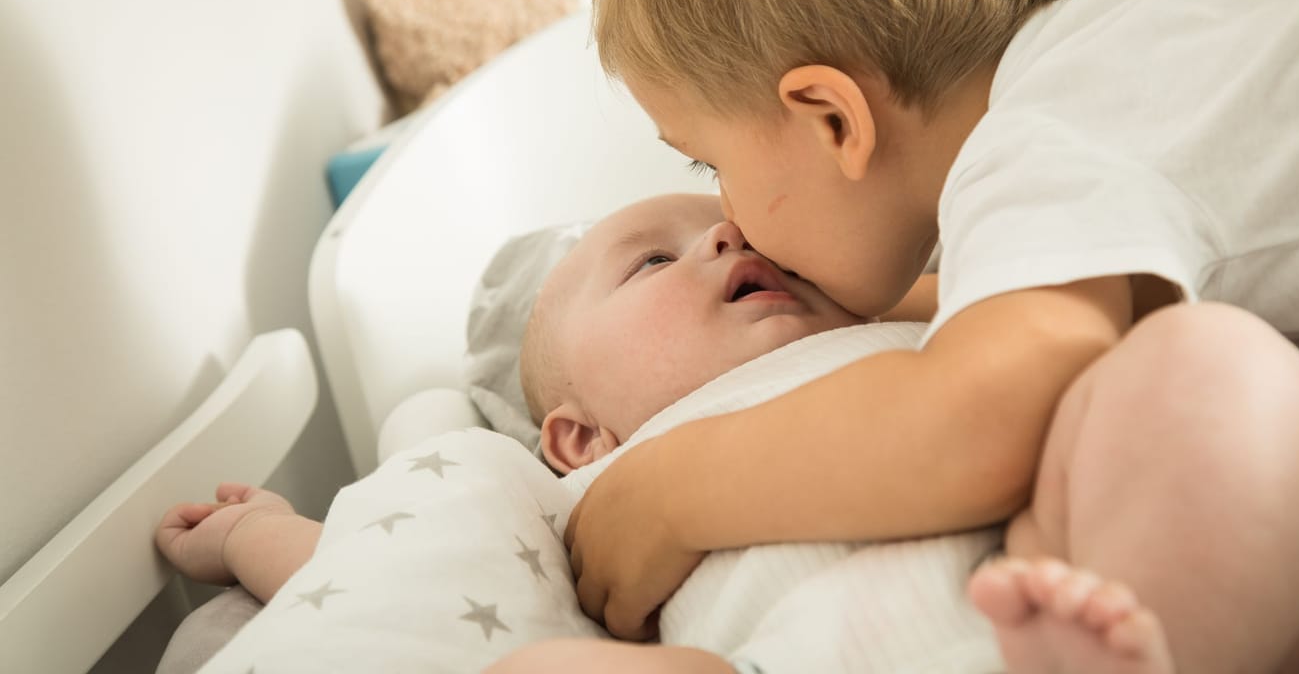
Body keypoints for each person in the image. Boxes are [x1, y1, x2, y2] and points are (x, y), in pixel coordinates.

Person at [564, 0, 1299, 672]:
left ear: (833, 121)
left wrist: (673, 491)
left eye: (712, 167)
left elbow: (984, 417)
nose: (727, 219)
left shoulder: (1034, 148)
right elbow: (993, 304)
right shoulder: (1118, 56)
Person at [155, 193, 865, 610]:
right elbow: (408, 572)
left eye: (750, 231)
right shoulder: (594, 497)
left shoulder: (935, 327)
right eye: (652, 260)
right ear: (583, 441)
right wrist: (253, 536)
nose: (727, 233)